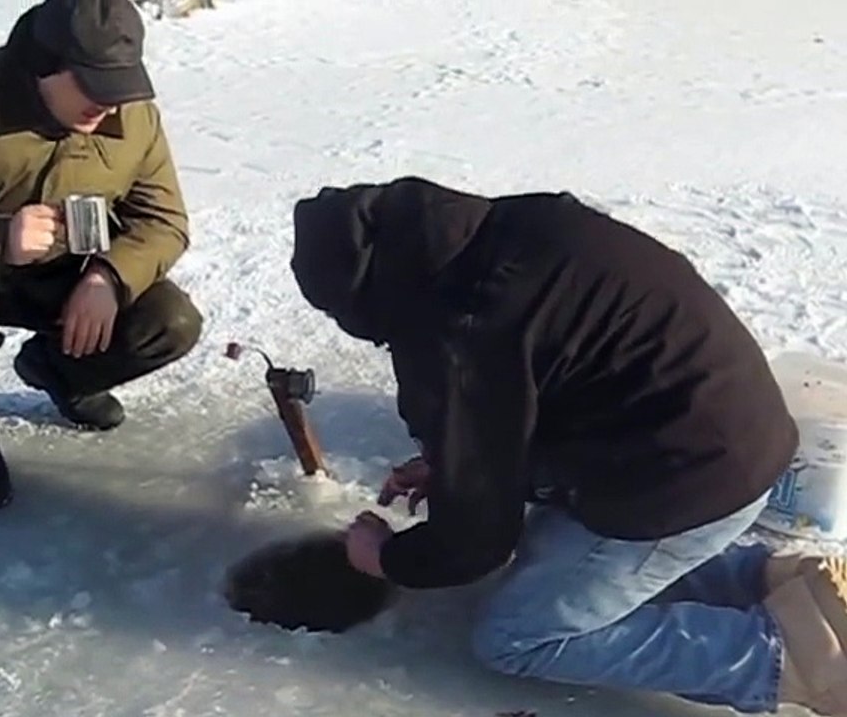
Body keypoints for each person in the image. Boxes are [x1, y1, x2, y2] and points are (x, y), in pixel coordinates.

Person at [290, 175, 847, 716]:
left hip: (689, 480)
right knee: (546, 564)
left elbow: (478, 541)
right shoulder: (513, 228)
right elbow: (560, 374)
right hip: (737, 435)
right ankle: (780, 582)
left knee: (518, 635)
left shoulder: (459, 328)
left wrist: (387, 558)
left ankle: (794, 659)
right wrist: (454, 461)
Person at [0, 0, 203, 512]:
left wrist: (109, 278)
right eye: (93, 84)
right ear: (44, 66)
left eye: (120, 84)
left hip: (64, 274)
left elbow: (163, 221)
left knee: (170, 320)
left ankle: (62, 373)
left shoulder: (130, 114)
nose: (108, 105)